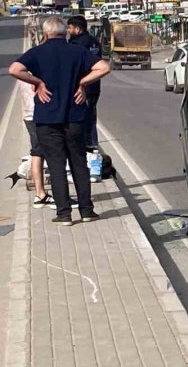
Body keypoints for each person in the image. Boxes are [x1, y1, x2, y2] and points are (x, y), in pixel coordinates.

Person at [8, 17, 111, 225]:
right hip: (75, 117)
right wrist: (82, 83)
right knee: (79, 164)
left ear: (45, 34)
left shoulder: (37, 52)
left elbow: (14, 69)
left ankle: (64, 214)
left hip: (47, 118)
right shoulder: (77, 51)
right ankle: (87, 211)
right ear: (65, 33)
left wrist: (38, 82)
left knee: (56, 166)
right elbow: (103, 68)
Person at [67, 16, 103, 150]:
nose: (68, 30)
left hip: (82, 87)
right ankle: (93, 143)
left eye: (70, 28)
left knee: (82, 118)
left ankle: (88, 145)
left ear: (77, 29)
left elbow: (74, 65)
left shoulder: (77, 44)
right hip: (94, 86)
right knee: (91, 116)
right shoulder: (95, 42)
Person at [17, 79, 54, 208]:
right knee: (47, 152)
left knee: (37, 152)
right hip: (38, 114)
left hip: (30, 114)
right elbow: (35, 87)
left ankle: (40, 194)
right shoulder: (32, 71)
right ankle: (44, 194)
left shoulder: (23, 71)